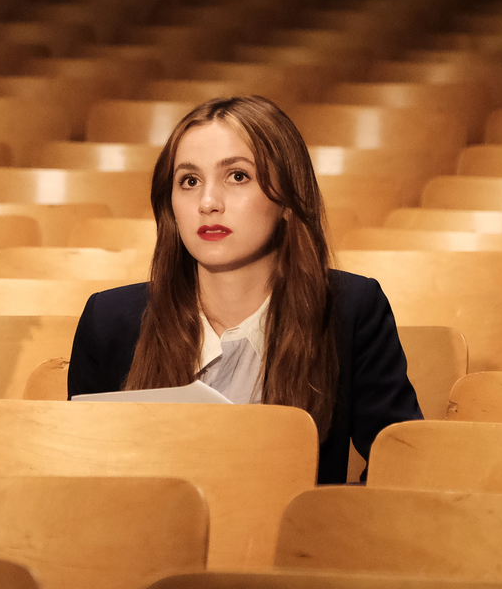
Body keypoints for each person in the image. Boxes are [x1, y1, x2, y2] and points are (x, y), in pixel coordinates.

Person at [66, 94, 421, 483]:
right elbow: (84, 478)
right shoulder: (109, 320)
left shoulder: (351, 310)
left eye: (237, 176)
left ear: (287, 197)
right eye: (189, 181)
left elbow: (401, 468)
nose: (208, 203)